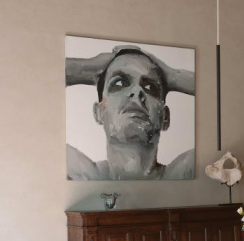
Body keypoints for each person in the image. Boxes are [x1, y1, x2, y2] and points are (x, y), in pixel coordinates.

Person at [66, 44, 195, 180]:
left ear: (165, 117)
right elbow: (50, 71)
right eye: (119, 84)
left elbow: (212, 90)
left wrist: (173, 76)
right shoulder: (84, 174)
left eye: (150, 87)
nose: (137, 91)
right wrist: (89, 66)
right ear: (99, 112)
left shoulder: (180, 174)